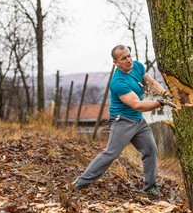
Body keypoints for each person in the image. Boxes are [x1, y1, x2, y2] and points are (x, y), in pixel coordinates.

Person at [72, 45, 171, 195]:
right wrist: (160, 103)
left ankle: (150, 187)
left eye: (129, 56)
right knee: (111, 153)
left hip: (138, 121)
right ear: (116, 63)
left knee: (151, 150)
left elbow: (150, 82)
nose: (128, 60)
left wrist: (164, 93)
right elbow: (137, 105)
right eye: (123, 58)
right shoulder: (118, 82)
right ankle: (80, 183)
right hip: (122, 121)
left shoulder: (137, 66)